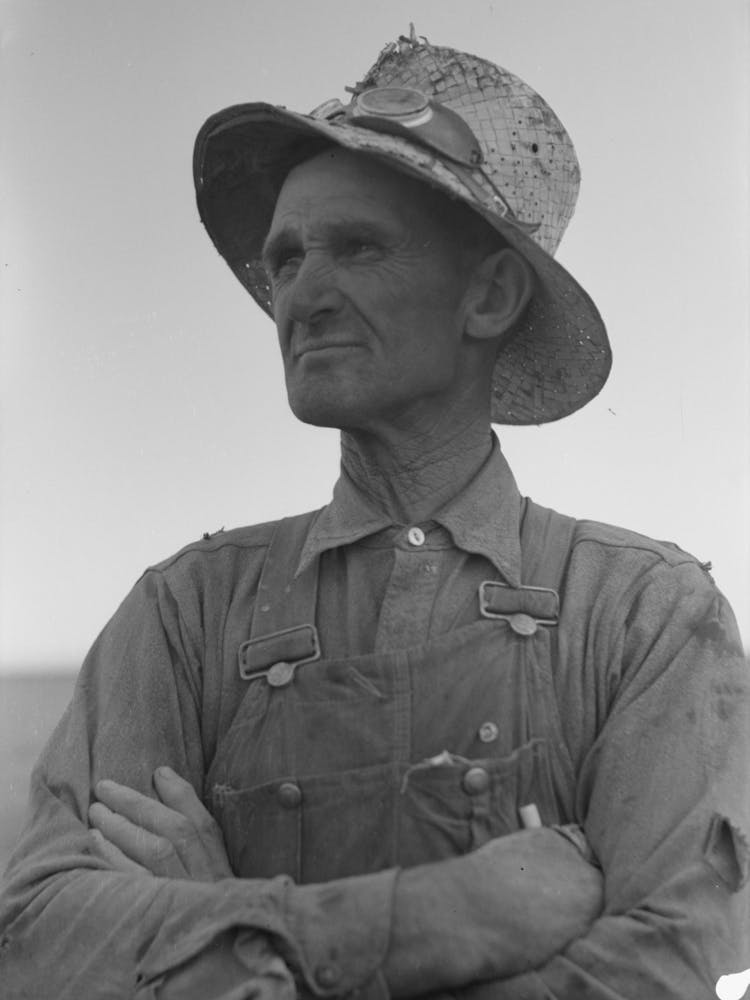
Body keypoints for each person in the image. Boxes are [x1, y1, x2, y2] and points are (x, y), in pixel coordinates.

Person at [1, 28, 748, 1000]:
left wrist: (219, 918)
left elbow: (670, 965)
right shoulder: (182, 614)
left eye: (357, 247)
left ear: (490, 296)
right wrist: (451, 916)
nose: (302, 294)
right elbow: (39, 940)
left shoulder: (645, 614)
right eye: (285, 259)